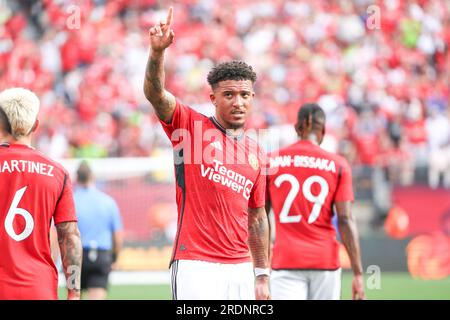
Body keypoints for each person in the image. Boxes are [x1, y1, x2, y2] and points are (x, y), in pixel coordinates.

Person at [143, 7, 270, 300]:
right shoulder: (189, 127)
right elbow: (155, 94)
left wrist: (261, 273)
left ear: (252, 98)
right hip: (196, 265)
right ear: (213, 98)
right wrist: (157, 54)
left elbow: (257, 217)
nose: (238, 102)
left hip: (241, 268)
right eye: (229, 95)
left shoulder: (257, 153)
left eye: (245, 95)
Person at [266, 103, 365, 300]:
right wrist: (358, 273)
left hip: (286, 259)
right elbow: (345, 220)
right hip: (324, 260)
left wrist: (261, 265)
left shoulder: (270, 161)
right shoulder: (338, 165)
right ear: (323, 131)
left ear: (297, 128)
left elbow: (259, 215)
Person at [0, 88, 82, 300]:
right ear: (36, 125)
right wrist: (74, 292)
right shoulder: (57, 173)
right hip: (39, 289)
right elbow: (69, 236)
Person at [74, 160, 123, 300]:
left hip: (75, 255)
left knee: (74, 296)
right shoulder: (108, 202)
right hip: (101, 255)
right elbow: (117, 235)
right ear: (93, 177)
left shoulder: (70, 200)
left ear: (76, 178)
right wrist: (115, 258)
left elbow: (59, 232)